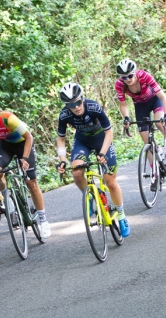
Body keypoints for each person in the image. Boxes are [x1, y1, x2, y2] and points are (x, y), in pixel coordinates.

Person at [55, 83, 129, 237]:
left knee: (111, 182)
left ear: (82, 98)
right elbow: (61, 139)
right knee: (76, 173)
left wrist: (102, 153)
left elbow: (109, 132)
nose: (76, 107)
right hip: (82, 142)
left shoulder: (93, 107)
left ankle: (121, 216)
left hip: (101, 140)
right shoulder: (64, 115)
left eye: (78, 102)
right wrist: (62, 159)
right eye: (71, 105)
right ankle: (88, 195)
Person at [0, 98, 51, 239]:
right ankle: (7, 196)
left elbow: (29, 137)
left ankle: (43, 220)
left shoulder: (8, 118)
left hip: (23, 144)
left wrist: (24, 158)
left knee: (31, 183)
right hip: (5, 146)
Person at [115, 59, 166, 193]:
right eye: (124, 77)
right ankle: (155, 174)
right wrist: (126, 118)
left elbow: (163, 97)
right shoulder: (120, 85)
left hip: (155, 101)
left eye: (130, 76)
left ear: (135, 73)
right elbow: (123, 105)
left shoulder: (144, 76)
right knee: (146, 141)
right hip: (140, 106)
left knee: (159, 122)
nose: (127, 79)